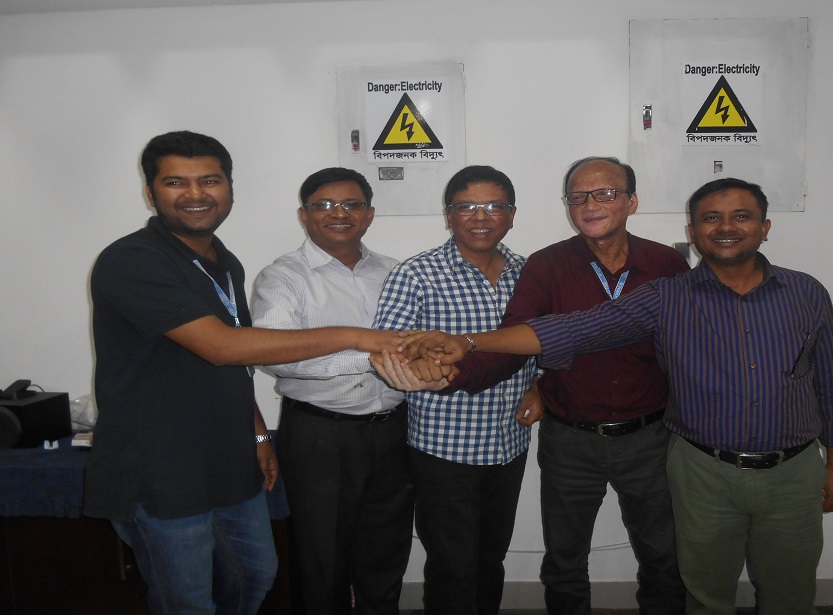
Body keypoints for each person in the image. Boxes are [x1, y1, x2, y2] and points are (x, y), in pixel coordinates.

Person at [399, 177, 833, 615]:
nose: (725, 228)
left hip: (678, 444)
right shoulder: (652, 290)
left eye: (741, 217)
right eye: (579, 196)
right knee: (668, 582)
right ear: (694, 231)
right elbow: (572, 330)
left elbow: (832, 382)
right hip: (623, 449)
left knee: (736, 577)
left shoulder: (792, 291)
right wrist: (468, 349)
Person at [86, 131, 403, 615]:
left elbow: (236, 365)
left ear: (229, 189)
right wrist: (358, 336)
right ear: (150, 192)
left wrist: (257, 434)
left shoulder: (221, 261)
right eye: (176, 182)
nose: (196, 194)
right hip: (162, 467)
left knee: (253, 577)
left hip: (229, 459)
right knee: (187, 600)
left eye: (210, 181)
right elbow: (221, 347)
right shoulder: (132, 260)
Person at [385, 157, 687, 614]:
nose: (591, 204)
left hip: (648, 437)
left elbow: (683, 345)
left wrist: (533, 382)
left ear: (631, 201)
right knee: (560, 562)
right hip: (564, 441)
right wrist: (454, 373)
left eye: (605, 193)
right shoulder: (547, 266)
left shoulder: (668, 264)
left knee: (664, 555)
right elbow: (515, 343)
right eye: (579, 196)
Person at [370, 165, 540, 615]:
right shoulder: (417, 274)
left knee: (491, 558)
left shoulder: (530, 273)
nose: (480, 217)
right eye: (467, 207)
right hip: (444, 449)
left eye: (494, 206)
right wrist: (421, 368)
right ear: (449, 216)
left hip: (510, 442)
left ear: (512, 214)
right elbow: (390, 351)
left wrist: (540, 386)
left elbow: (542, 343)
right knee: (452, 565)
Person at [250, 167, 413, 614]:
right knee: (322, 556)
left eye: (352, 204)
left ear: (370, 214)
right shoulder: (283, 277)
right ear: (304, 214)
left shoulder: (396, 272)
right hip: (321, 434)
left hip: (395, 430)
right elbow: (276, 356)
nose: (339, 213)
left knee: (386, 549)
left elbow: (413, 342)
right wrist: (368, 355)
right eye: (324, 205)